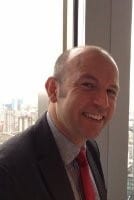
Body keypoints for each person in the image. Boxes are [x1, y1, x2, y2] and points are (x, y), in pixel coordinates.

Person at [0, 45, 119, 200]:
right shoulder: (8, 170)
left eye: (111, 91)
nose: (103, 103)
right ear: (53, 90)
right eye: (88, 85)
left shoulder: (90, 148)